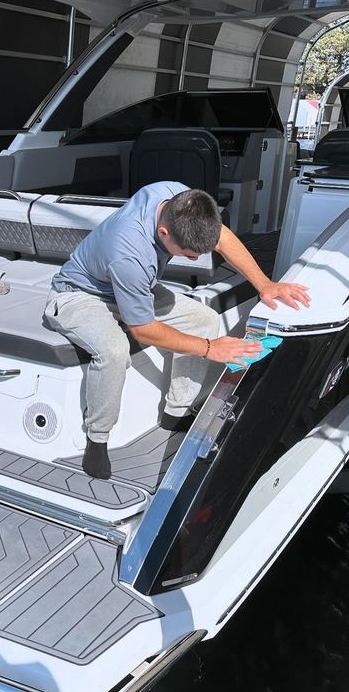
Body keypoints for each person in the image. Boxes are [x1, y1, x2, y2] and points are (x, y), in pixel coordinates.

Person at [44, 181, 311, 480]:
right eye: (189, 254)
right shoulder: (130, 254)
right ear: (163, 233)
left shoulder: (178, 198)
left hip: (133, 287)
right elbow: (143, 330)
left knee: (205, 320)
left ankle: (176, 412)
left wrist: (265, 285)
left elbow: (222, 237)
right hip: (80, 294)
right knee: (114, 351)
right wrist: (210, 348)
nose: (195, 260)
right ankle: (97, 439)